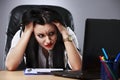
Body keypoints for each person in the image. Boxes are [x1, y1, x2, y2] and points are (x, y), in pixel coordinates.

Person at [5, 8, 82, 71]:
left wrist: (64, 33)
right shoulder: (23, 34)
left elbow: (77, 67)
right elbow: (10, 66)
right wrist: (27, 32)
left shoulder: (66, 33)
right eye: (41, 35)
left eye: (51, 33)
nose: (48, 41)